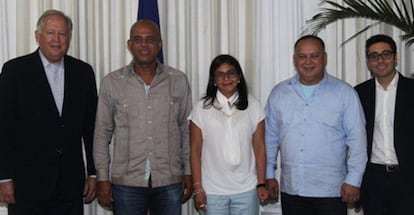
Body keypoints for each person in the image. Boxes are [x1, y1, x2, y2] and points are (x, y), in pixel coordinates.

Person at [0, 9, 97, 215]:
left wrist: (93, 173)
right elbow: (3, 127)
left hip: (70, 185)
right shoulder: (14, 71)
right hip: (27, 186)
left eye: (62, 34)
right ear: (38, 36)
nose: (56, 39)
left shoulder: (83, 72)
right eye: (50, 33)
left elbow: (91, 129)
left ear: (69, 38)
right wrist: (4, 177)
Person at [93, 19, 193, 215]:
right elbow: (101, 134)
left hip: (169, 179)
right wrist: (102, 178)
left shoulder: (178, 80)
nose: (144, 45)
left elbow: (186, 130)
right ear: (129, 44)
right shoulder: (112, 82)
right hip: (126, 183)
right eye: (138, 39)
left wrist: (188, 170)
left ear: (160, 44)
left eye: (150, 39)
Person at [265, 35, 367, 215]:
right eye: (302, 56)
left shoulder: (344, 93)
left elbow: (358, 140)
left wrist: (353, 180)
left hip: (331, 191)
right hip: (292, 190)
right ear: (294, 59)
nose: (308, 62)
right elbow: (270, 138)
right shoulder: (279, 93)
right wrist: (268, 174)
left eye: (314, 55)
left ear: (325, 57)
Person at [189, 54, 268, 214]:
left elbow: (259, 147)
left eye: (231, 73)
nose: (226, 78)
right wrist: (197, 188)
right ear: (213, 80)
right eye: (220, 74)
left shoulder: (253, 105)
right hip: (212, 190)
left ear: (239, 77)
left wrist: (261, 182)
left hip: (246, 188)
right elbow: (195, 150)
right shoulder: (201, 108)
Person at [355, 34, 414, 215]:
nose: (380, 60)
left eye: (386, 54)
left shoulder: (412, 90)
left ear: (395, 57)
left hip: (408, 179)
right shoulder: (359, 93)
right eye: (374, 56)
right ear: (368, 61)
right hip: (374, 180)